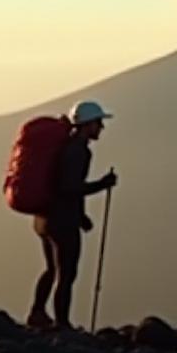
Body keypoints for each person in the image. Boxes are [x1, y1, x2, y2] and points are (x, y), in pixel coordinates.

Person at [30, 100, 117, 329]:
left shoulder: (63, 147)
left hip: (44, 217)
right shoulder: (79, 151)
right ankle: (62, 323)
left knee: (51, 269)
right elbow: (70, 188)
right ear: (86, 125)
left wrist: (81, 216)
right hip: (62, 221)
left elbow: (65, 187)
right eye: (98, 123)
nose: (101, 128)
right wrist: (102, 184)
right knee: (67, 273)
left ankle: (37, 313)